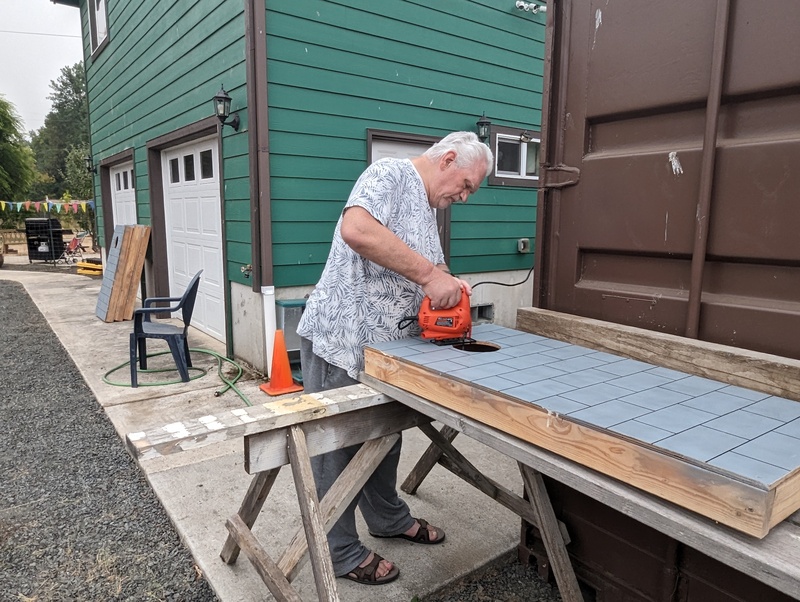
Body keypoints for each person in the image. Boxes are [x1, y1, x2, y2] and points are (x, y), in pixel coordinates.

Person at [296, 131, 493, 585]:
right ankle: (340, 551)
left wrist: (449, 281)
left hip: (388, 352)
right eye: (465, 185)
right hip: (342, 340)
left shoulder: (425, 208)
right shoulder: (389, 173)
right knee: (336, 447)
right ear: (447, 160)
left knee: (385, 436)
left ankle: (387, 519)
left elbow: (432, 270)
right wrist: (428, 275)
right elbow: (357, 230)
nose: (463, 197)